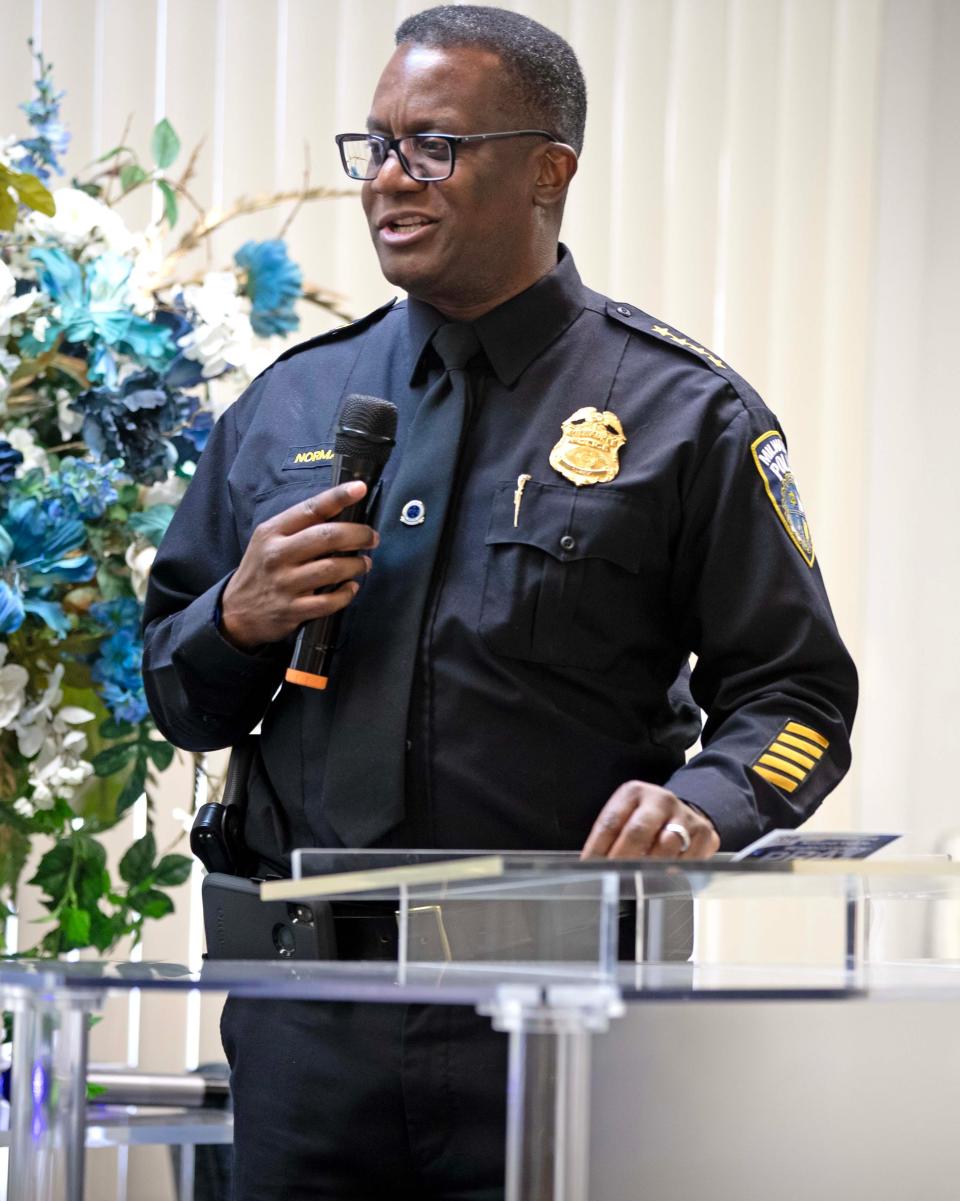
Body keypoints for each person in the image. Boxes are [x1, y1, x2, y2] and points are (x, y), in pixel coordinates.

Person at [143, 6, 857, 1198]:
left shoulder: (686, 414)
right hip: (305, 1025)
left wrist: (705, 804)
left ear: (548, 169)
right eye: (372, 146)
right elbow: (175, 689)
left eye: (433, 146)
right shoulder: (285, 406)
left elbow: (796, 697)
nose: (386, 181)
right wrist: (238, 617)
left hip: (556, 1024)